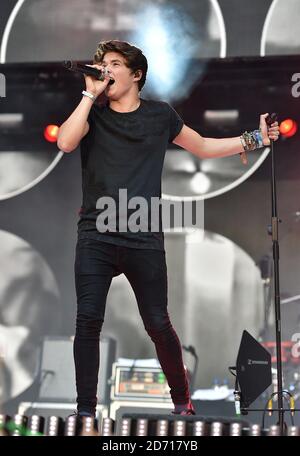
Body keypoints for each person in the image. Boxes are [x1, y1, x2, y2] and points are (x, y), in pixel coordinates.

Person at [57, 40, 280, 418]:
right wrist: (87, 94)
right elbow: (64, 141)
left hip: (142, 234)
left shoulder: (160, 115)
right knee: (88, 320)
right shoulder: (91, 113)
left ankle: (182, 401)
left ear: (136, 73)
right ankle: (85, 412)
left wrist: (254, 139)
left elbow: (203, 146)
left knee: (158, 324)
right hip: (95, 233)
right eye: (101, 64)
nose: (105, 69)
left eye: (113, 64)